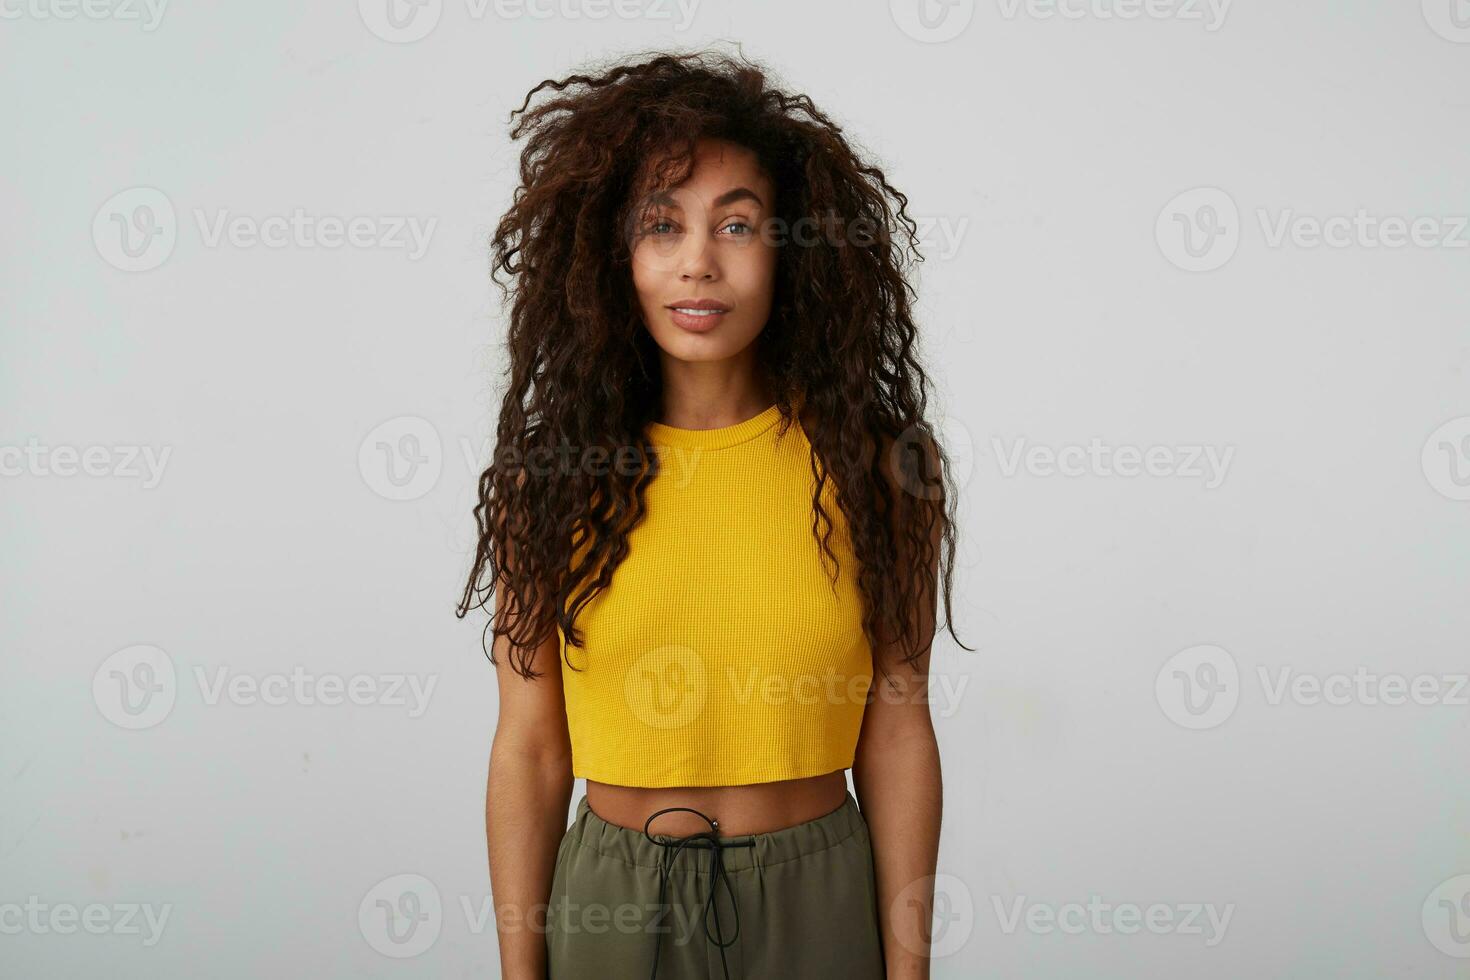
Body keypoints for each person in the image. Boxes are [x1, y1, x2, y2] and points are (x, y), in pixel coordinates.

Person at [457, 48, 970, 980]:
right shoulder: (553, 478)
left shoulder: (881, 470)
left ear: (793, 250)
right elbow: (529, 749)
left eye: (737, 226)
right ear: (615, 255)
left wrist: (908, 968)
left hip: (816, 896)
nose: (698, 263)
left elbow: (899, 729)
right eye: (662, 225)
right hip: (613, 900)